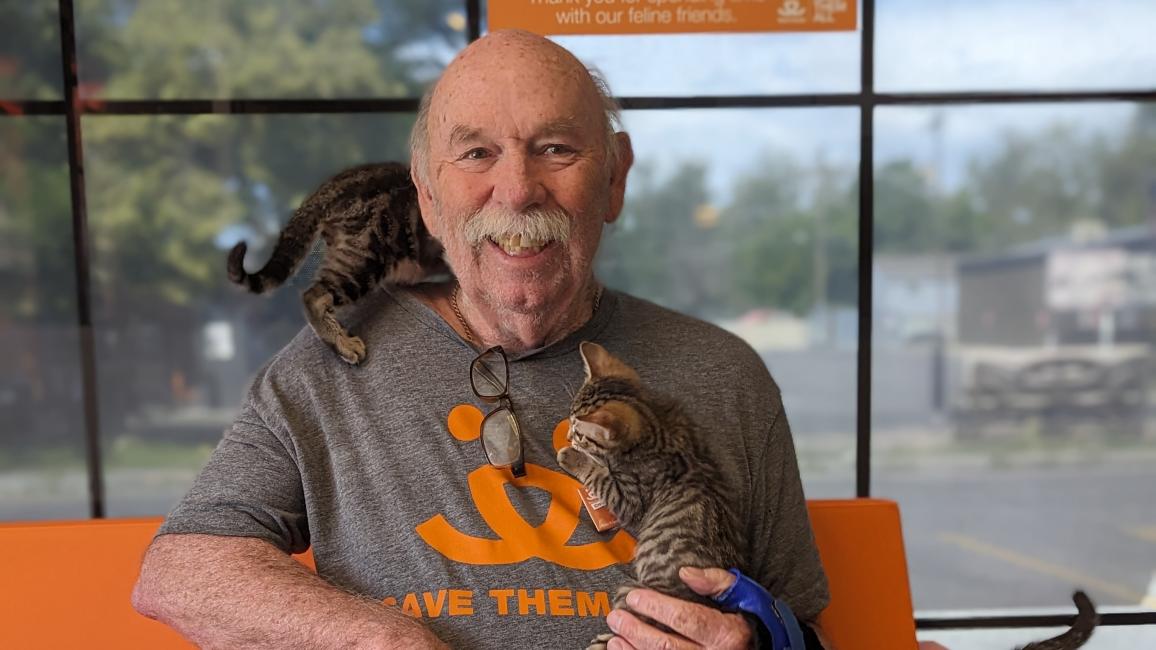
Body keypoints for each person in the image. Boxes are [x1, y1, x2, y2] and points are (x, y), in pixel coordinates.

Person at [132, 29, 831, 649]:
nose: (517, 189)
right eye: (476, 153)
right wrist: (379, 639)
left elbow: (803, 626)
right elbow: (180, 571)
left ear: (615, 177)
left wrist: (757, 641)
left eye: (556, 149)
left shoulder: (724, 372)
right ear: (428, 198)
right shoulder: (324, 370)